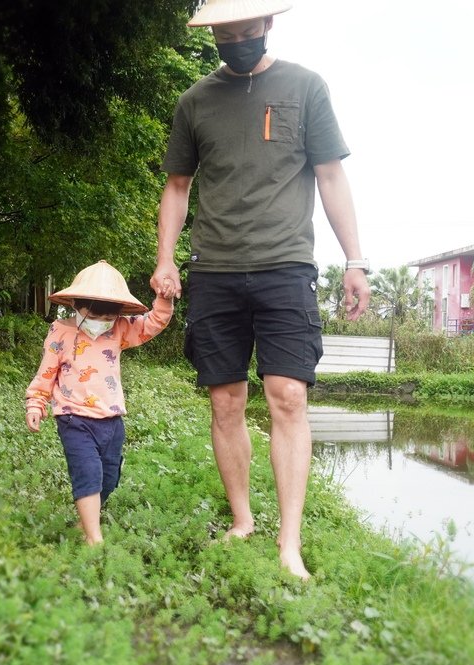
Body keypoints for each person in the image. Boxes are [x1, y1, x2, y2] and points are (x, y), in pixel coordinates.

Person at [150, 0, 370, 579]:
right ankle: (244, 521)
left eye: (245, 32)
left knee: (288, 398)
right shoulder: (195, 101)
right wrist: (165, 260)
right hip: (214, 270)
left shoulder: (305, 87)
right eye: (225, 34)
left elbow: (330, 175)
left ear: (267, 25)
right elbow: (177, 185)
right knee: (225, 402)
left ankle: (288, 543)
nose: (235, 41)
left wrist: (356, 260)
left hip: (285, 267)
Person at [25, 260, 174, 545]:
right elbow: (46, 372)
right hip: (74, 418)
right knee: (88, 474)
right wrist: (36, 403)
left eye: (108, 317)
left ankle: (88, 519)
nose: (101, 322)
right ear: (77, 306)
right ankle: (94, 540)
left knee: (108, 479)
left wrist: (164, 298)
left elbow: (153, 323)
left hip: (112, 421)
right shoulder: (61, 332)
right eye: (94, 314)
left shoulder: (119, 329)